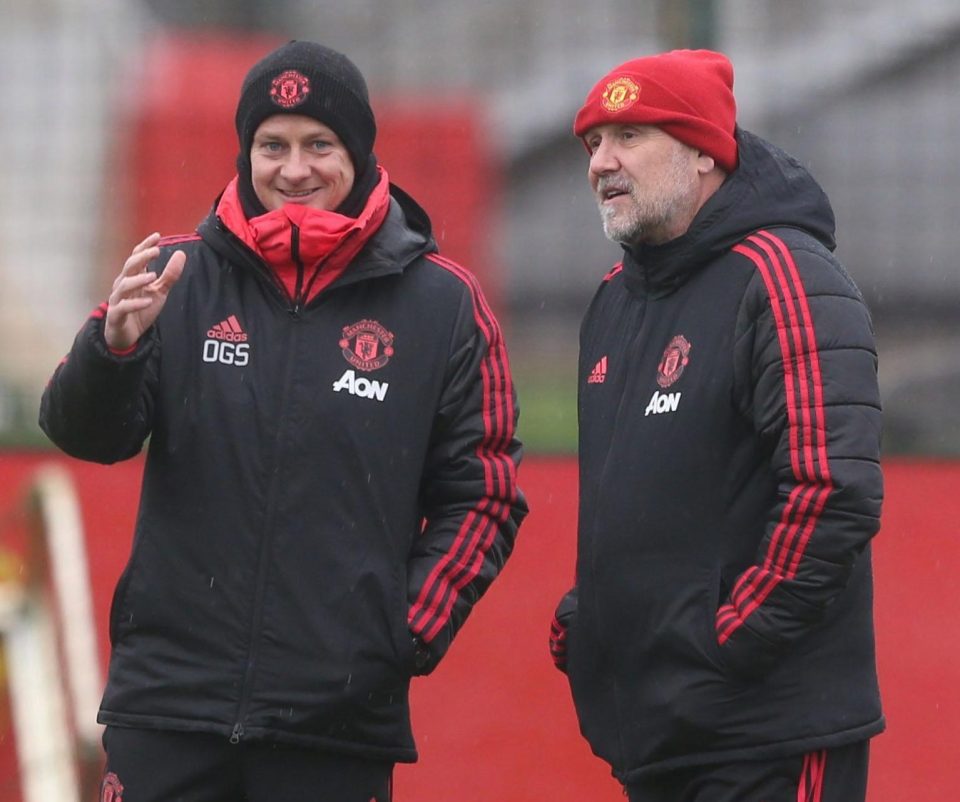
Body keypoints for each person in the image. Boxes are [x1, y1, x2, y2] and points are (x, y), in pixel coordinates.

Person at [40, 40, 526, 802]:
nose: (293, 170)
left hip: (335, 724)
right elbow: (85, 434)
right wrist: (113, 348)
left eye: (318, 145)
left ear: (359, 154)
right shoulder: (175, 274)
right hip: (167, 710)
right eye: (272, 145)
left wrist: (398, 635)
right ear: (245, 154)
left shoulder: (447, 305)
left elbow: (486, 495)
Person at [549, 49, 883, 802]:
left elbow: (835, 489)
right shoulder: (612, 299)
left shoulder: (785, 275)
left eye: (629, 136)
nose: (602, 161)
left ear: (704, 149)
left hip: (766, 730)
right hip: (658, 733)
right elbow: (622, 498)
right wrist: (594, 619)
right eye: (591, 144)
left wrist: (729, 639)